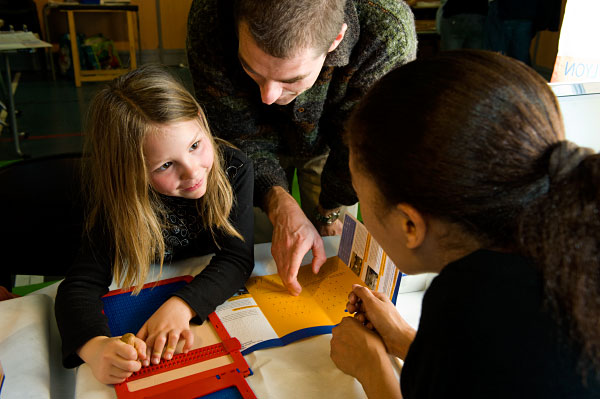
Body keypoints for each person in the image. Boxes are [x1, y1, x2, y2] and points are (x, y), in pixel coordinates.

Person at [329, 50, 600, 398]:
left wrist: (372, 366)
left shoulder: (469, 303)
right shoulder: (560, 248)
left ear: (410, 225)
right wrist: (412, 344)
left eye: (359, 195)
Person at [186, 0, 417, 295]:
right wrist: (277, 204)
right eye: (251, 69)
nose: (268, 96)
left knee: (335, 250)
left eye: (291, 79)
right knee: (256, 253)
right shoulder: (210, 14)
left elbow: (360, 144)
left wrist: (329, 210)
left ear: (337, 39)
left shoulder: (387, 27)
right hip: (247, 136)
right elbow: (235, 135)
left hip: (336, 143)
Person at [54, 65, 254, 385]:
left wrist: (182, 305)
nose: (193, 172)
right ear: (131, 171)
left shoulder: (234, 168)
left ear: (202, 122)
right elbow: (79, 285)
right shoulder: (118, 197)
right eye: (165, 165)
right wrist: (95, 348)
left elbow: (237, 257)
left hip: (195, 289)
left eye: (194, 145)